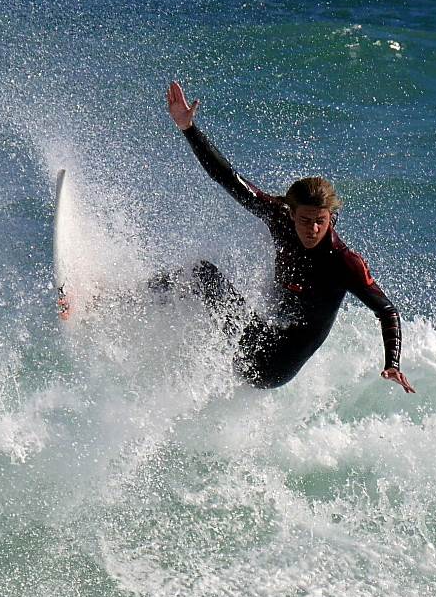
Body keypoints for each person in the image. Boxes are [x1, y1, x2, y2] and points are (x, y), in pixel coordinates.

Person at [160, 81, 415, 392]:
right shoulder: (279, 217)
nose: (312, 229)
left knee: (204, 282)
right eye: (305, 220)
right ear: (291, 214)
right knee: (201, 275)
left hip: (273, 365)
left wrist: (392, 362)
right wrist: (188, 129)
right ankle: (122, 304)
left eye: (320, 222)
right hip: (259, 332)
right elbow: (228, 178)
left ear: (331, 219)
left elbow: (387, 310)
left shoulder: (343, 262)